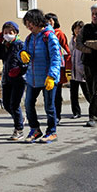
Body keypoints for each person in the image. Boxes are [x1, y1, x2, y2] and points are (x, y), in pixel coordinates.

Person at [20, 9, 61, 143]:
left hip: (47, 78)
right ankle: (35, 129)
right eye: (26, 24)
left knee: (49, 106)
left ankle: (52, 131)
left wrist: (52, 76)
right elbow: (23, 52)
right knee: (28, 104)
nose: (28, 26)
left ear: (37, 21)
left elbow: (56, 58)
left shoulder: (49, 36)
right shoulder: (29, 38)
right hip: (32, 78)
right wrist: (22, 54)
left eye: (30, 23)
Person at [0, 21, 28, 140]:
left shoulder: (20, 45)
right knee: (6, 104)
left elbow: (27, 62)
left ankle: (19, 129)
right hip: (7, 79)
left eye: (10, 32)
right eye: (5, 32)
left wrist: (19, 69)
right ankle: (20, 119)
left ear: (16, 33)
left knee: (14, 104)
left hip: (19, 80)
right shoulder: (4, 45)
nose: (7, 34)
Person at [45, 13, 70, 124]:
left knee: (56, 94)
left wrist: (68, 67)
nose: (48, 23)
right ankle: (50, 115)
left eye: (50, 20)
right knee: (48, 94)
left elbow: (66, 50)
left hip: (58, 68)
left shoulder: (59, 34)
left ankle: (57, 115)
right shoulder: (42, 33)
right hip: (45, 67)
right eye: (46, 21)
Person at [69, 20, 89, 119]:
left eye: (79, 28)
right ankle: (76, 112)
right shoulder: (72, 40)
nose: (77, 30)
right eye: (75, 28)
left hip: (82, 71)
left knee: (88, 93)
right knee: (73, 95)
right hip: (73, 71)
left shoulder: (85, 41)